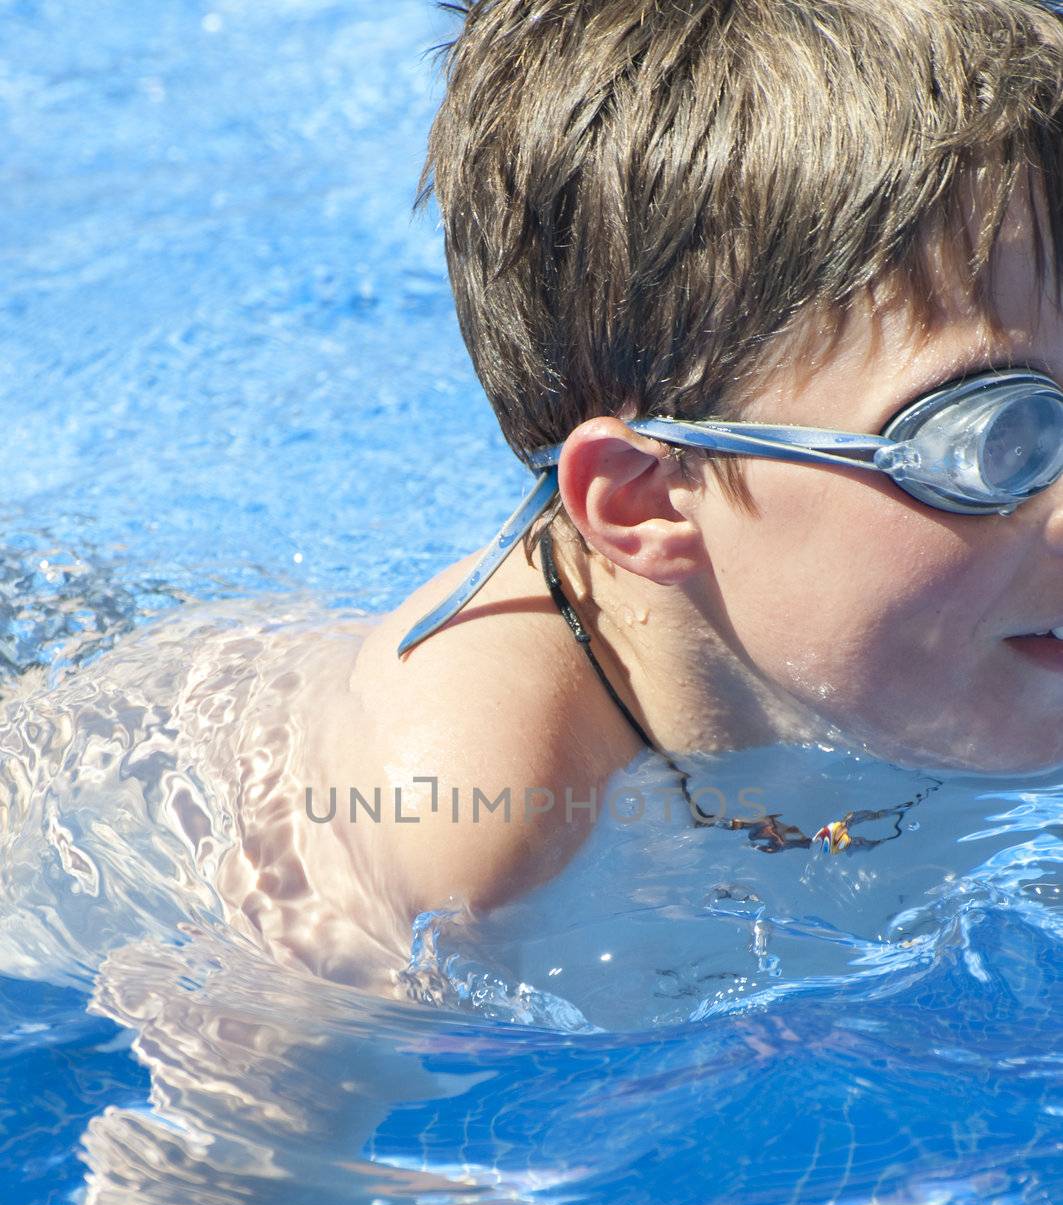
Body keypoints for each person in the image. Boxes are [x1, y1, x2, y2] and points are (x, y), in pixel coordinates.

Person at [6, 0, 1063, 1003]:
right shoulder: (461, 834)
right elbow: (229, 1173)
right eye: (996, 438)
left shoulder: (937, 642)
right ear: (645, 501)